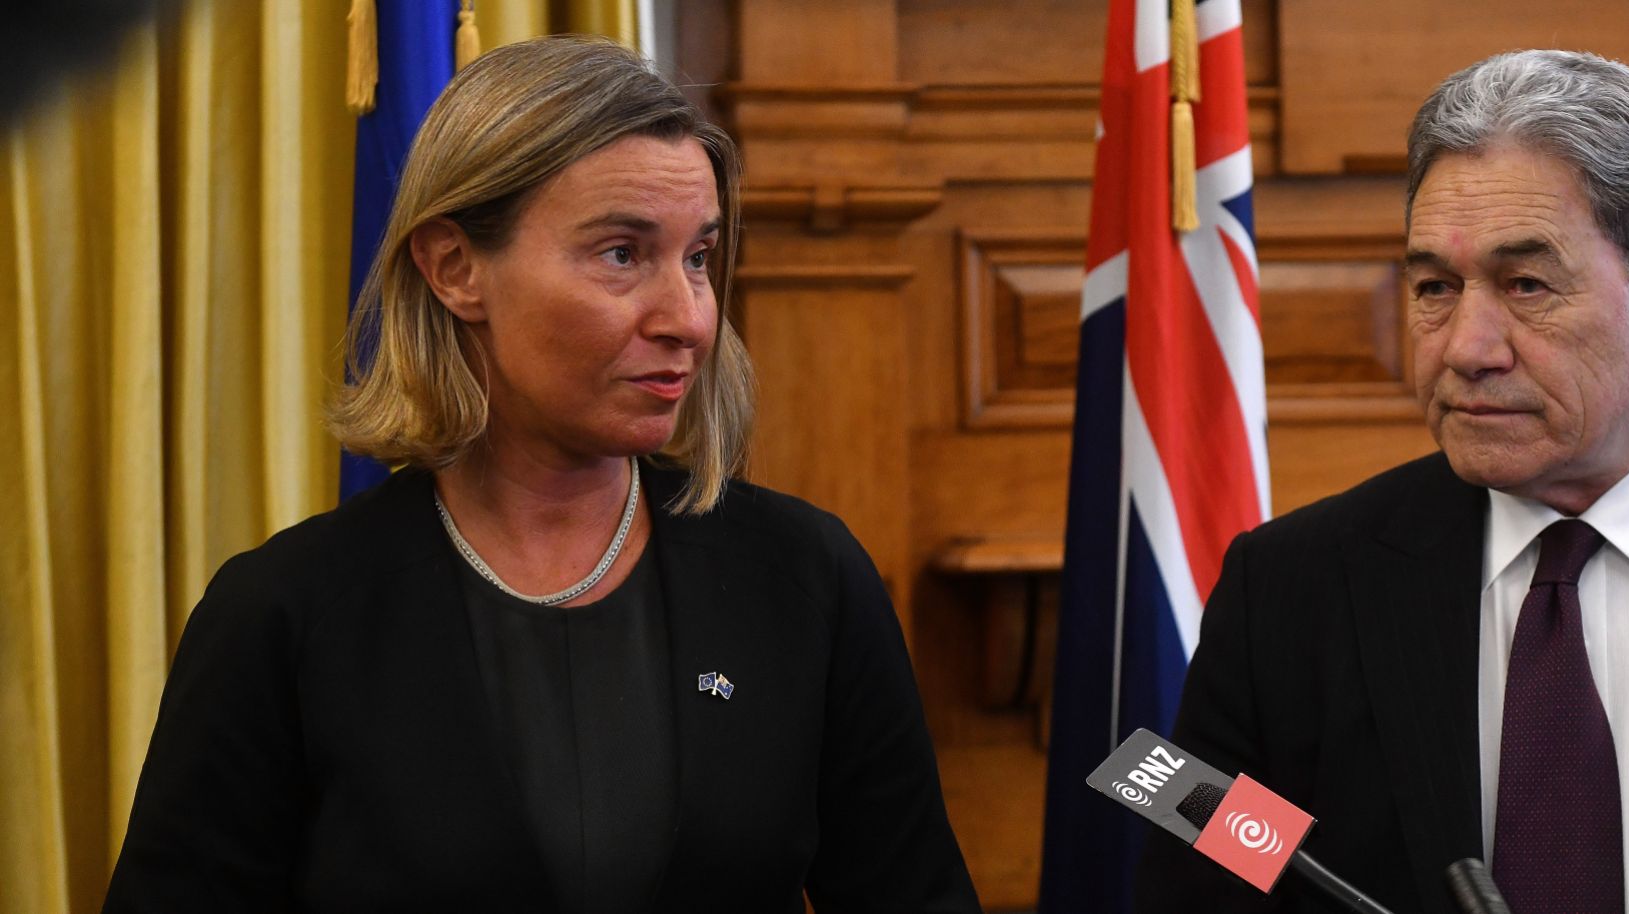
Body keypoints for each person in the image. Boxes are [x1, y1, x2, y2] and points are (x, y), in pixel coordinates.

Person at [103, 35, 980, 914]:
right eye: (622, 254)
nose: (688, 317)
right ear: (454, 268)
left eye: (699, 257)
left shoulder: (802, 575)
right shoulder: (284, 612)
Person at [1134, 49, 1629, 914]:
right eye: (1435, 285)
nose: (1467, 349)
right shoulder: (1288, 591)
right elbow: (1209, 886)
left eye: (1526, 285)